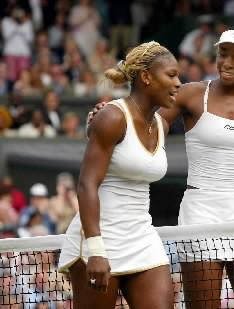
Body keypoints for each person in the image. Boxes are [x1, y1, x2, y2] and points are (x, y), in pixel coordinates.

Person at [90, 25, 234, 308]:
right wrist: (112, 115)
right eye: (223, 54)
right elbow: (148, 123)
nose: (227, 62)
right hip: (200, 215)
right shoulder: (190, 94)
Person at [58, 41, 181, 308]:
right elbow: (87, 185)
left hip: (141, 237)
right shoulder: (112, 117)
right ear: (146, 77)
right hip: (100, 239)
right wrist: (96, 251)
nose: (178, 82)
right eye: (171, 75)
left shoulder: (162, 125)